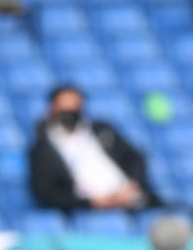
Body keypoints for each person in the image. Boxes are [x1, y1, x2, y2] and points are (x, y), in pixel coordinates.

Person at [29, 85, 159, 212]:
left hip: (130, 201)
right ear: (53, 108)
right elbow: (47, 193)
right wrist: (92, 203)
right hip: (87, 210)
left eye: (74, 108)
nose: (69, 114)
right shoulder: (43, 148)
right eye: (65, 109)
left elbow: (135, 159)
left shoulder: (103, 131)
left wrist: (131, 186)